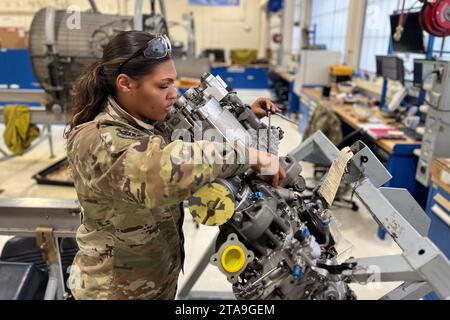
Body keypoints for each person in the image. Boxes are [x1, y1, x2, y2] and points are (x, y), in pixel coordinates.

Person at [65, 31, 285, 300]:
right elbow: (163, 170)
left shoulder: (145, 123)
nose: (173, 94)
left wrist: (244, 116)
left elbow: (186, 142)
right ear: (125, 84)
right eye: (162, 86)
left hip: (155, 285)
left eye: (173, 83)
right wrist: (250, 156)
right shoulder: (96, 139)